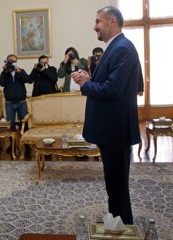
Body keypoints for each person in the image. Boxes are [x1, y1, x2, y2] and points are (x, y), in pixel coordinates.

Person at [71, 6, 143, 224]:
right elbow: (108, 83)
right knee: (113, 182)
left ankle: (124, 226)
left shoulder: (122, 48)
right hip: (111, 129)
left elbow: (112, 90)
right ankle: (116, 221)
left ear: (112, 21)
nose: (95, 27)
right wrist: (90, 79)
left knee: (118, 184)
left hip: (115, 130)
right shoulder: (115, 47)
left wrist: (85, 84)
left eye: (98, 22)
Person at [0, 54, 30, 152]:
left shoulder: (21, 71)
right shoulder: (5, 73)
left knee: (24, 124)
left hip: (22, 102)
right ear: (7, 62)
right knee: (11, 125)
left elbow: (28, 80)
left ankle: (27, 145)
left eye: (13, 61)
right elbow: (2, 83)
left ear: (17, 62)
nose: (11, 63)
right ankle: (12, 145)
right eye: (10, 61)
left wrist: (19, 71)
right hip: (9, 103)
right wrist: (5, 71)